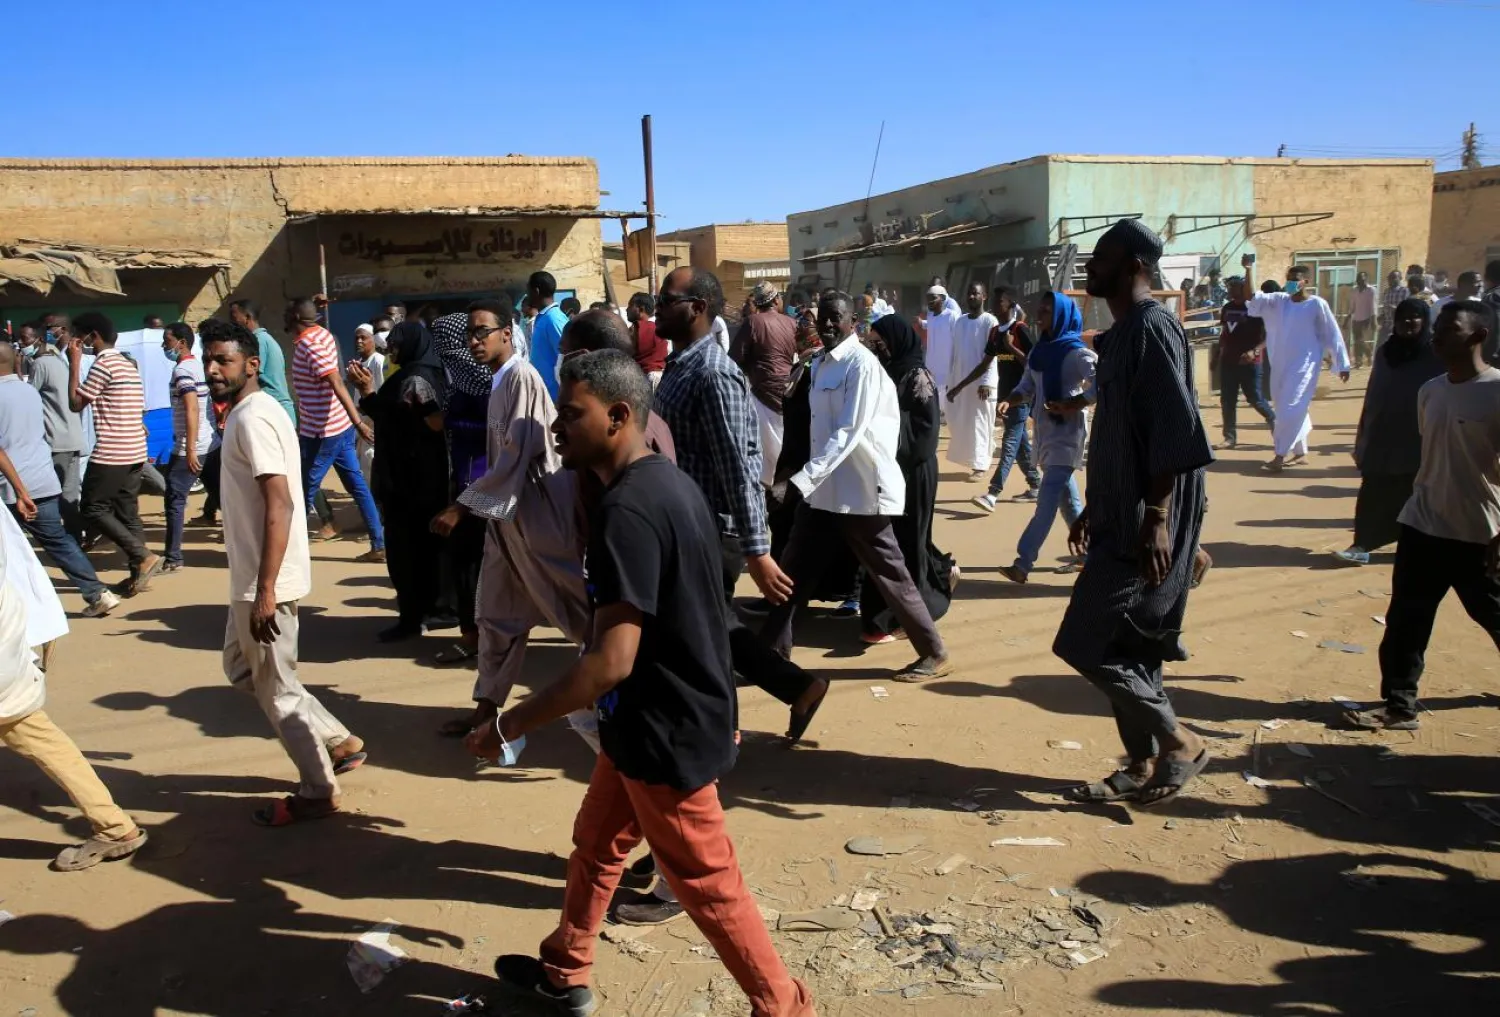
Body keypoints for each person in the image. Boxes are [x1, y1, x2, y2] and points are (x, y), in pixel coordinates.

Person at [473, 349, 815, 1017]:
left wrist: (508, 725)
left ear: (619, 415)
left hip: (663, 736)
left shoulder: (627, 512)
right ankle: (564, 967)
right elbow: (707, 613)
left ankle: (783, 1006)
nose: (557, 428)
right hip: (643, 725)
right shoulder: (668, 484)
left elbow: (609, 661)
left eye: (571, 414)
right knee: (597, 844)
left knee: (708, 882)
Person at [1053, 218, 1213, 807]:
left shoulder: (1154, 327)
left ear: (1137, 267)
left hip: (1148, 517)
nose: (1091, 268)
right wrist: (1095, 504)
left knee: (1086, 643)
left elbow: (1174, 430)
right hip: (1120, 511)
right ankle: (1142, 762)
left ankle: (1180, 743)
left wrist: (1160, 519)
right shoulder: (1117, 336)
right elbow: (1120, 432)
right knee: (1131, 644)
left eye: (1103, 258)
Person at [200, 319, 366, 825]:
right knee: (243, 670)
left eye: (223, 361)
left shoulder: (253, 418)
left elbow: (282, 504)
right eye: (209, 360)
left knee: (276, 688)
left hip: (263, 580)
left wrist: (266, 590)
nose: (212, 370)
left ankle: (318, 788)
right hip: (249, 577)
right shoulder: (254, 411)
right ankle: (338, 740)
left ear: (252, 365)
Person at [652, 268, 829, 737]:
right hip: (686, 524)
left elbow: (738, 466)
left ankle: (721, 732)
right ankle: (796, 689)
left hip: (711, 528)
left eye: (666, 299)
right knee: (710, 627)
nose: (656, 306)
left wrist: (757, 551)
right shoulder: (682, 365)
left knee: (700, 634)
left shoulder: (713, 373)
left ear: (697, 308)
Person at [761, 291, 950, 681]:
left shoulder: (861, 366)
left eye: (837, 318)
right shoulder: (819, 366)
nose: (828, 324)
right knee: (792, 570)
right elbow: (817, 434)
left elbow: (847, 434)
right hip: (824, 494)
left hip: (862, 493)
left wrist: (796, 484)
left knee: (892, 575)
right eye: (823, 318)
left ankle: (933, 651)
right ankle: (772, 652)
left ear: (852, 323)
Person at [429, 299, 585, 734]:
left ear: (507, 333)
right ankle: (485, 712)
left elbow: (517, 456)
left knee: (579, 614)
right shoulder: (499, 382)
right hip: (506, 520)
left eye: (483, 332)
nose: (475, 341)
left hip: (538, 516)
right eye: (470, 334)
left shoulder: (522, 378)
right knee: (496, 617)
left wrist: (462, 505)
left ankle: (635, 691)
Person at [1346, 301, 1500, 731]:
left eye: (1451, 329)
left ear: (1478, 336)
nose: (1438, 336)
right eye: (1440, 329)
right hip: (1422, 523)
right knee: (1405, 622)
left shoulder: (1497, 391)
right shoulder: (1430, 390)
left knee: (1493, 612)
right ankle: (1399, 705)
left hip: (1478, 532)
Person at [0, 507, 147, 869]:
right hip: (11, 652)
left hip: (7, 660)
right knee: (48, 744)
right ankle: (115, 827)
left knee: (45, 743)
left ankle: (115, 827)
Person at [0, 343, 119, 616]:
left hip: (13, 486)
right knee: (58, 541)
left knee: (15, 548)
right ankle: (97, 592)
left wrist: (20, 492)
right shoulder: (28, 390)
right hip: (41, 477)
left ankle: (20, 609)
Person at [349, 321, 448, 641]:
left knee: (408, 552)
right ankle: (431, 610)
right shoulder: (426, 372)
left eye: (396, 343)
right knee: (426, 550)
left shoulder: (416, 377)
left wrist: (367, 394)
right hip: (423, 479)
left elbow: (429, 422)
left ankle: (413, 618)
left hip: (410, 482)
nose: (391, 349)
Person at [858, 316, 955, 643]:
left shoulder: (918, 376)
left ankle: (906, 616)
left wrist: (887, 438)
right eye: (872, 342)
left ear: (896, 340)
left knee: (910, 539)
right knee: (889, 540)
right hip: (887, 470)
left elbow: (925, 435)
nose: (875, 348)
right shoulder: (882, 373)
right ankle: (891, 610)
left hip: (914, 472)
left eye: (879, 342)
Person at [994, 291, 1097, 585]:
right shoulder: (1040, 352)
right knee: (1069, 502)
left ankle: (1023, 562)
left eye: (1046, 312)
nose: (1039, 316)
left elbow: (1102, 381)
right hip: (1044, 434)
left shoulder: (1076, 352)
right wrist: (1009, 400)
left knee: (1047, 500)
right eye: (1039, 310)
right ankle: (1091, 557)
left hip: (1068, 435)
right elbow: (1026, 386)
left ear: (1062, 316)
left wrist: (1075, 403)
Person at [1334, 300, 1445, 567]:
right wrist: (1363, 439)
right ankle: (1362, 544)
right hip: (1384, 437)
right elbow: (1373, 395)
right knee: (1373, 493)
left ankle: (1419, 549)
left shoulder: (1436, 354)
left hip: (1421, 439)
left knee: (1419, 496)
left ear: (1425, 321)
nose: (1409, 322)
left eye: (1415, 317)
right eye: (1403, 317)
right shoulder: (1386, 352)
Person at [66, 312, 163, 594]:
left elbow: (75, 403)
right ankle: (140, 573)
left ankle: (142, 556)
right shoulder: (126, 364)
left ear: (92, 336)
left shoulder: (103, 364)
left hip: (112, 450)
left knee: (93, 508)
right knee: (127, 511)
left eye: (79, 335)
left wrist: (74, 364)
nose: (77, 341)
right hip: (134, 450)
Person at [285, 298, 385, 562]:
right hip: (335, 427)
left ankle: (283, 550)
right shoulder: (322, 334)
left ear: (295, 316)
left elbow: (336, 384)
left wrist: (359, 423)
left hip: (323, 431)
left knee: (303, 488)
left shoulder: (310, 344)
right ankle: (379, 543)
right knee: (357, 485)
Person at [1243, 261, 1351, 471]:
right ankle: (1300, 451)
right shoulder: (1279, 301)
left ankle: (1279, 456)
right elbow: (1253, 298)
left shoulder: (1317, 305)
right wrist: (1248, 270)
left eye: (1295, 279)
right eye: (1289, 279)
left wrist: (1342, 363)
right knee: (1286, 405)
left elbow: (1332, 333)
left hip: (1305, 365)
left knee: (1291, 407)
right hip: (1280, 364)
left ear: (1306, 282)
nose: (1291, 283)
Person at [971, 289, 1041, 510]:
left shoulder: (1020, 330)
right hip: (1005, 397)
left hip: (1022, 396)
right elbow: (985, 363)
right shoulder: (994, 332)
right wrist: (959, 386)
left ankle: (993, 493)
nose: (994, 304)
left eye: (999, 301)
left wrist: (1011, 347)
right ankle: (1036, 484)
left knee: (1009, 444)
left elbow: (1034, 364)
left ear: (1011, 305)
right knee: (1020, 446)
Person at [730, 282, 798, 488]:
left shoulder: (752, 322)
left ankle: (768, 490)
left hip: (762, 394)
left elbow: (734, 360)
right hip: (789, 391)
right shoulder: (791, 323)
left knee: (765, 451)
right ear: (776, 300)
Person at [28, 316, 86, 541]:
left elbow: (30, 398)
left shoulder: (42, 363)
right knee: (69, 493)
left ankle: (62, 538)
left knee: (51, 494)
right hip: (71, 437)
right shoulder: (61, 360)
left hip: (56, 439)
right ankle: (77, 535)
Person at [159, 322, 211, 573]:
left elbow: (191, 407)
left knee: (174, 500)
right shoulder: (199, 366)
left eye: (167, 341)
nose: (164, 346)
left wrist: (189, 448)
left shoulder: (182, 370)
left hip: (192, 446)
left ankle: (173, 556)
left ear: (181, 342)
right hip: (211, 442)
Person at [945, 282, 1001, 481]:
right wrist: (951, 380)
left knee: (980, 422)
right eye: (969, 294)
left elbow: (993, 355)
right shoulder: (960, 322)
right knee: (961, 421)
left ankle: (980, 465)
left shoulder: (990, 321)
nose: (971, 297)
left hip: (981, 384)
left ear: (984, 296)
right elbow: (955, 352)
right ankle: (978, 455)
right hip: (960, 380)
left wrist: (987, 381)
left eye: (975, 294)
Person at [1212, 274, 1275, 450]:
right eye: (1230, 286)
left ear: (1243, 288)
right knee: (1227, 400)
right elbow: (1224, 334)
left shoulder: (1255, 309)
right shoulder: (1227, 308)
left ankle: (1274, 422)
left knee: (1255, 399)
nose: (1231, 290)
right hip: (1229, 362)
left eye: (1235, 286)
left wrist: (1254, 352)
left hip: (1250, 363)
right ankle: (1229, 438)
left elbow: (1267, 337)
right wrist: (1217, 356)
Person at [526, 272, 569, 400]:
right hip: (543, 395)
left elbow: (568, 358)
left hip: (555, 397)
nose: (527, 295)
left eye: (528, 291)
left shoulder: (554, 319)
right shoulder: (543, 317)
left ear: (536, 291)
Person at [917, 285, 961, 402]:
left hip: (946, 366)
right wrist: (922, 323)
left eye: (933, 298)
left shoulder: (952, 315)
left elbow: (958, 339)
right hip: (931, 364)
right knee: (932, 396)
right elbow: (933, 325)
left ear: (942, 298)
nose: (929, 302)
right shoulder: (930, 315)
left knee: (945, 400)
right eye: (928, 299)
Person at [628, 292, 667, 385]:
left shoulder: (638, 328)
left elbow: (628, 349)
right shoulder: (660, 327)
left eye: (630, 306)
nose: (627, 309)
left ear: (641, 309)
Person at [1347, 271, 1378, 368]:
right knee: (1357, 341)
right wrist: (1346, 319)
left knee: (1360, 340)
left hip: (1367, 318)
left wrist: (1374, 320)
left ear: (1366, 279)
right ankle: (1358, 361)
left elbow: (1374, 306)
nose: (1360, 281)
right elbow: (1352, 306)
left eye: (1362, 279)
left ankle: (1369, 353)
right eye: (1359, 279)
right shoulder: (1354, 291)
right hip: (1356, 318)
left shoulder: (1371, 290)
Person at [1380, 270, 1409, 338]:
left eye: (1394, 277)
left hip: (1398, 326)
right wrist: (1382, 316)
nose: (1391, 279)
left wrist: (1395, 308)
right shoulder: (1386, 291)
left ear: (1400, 278)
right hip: (1386, 326)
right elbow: (1384, 308)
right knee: (1380, 346)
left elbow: (1406, 308)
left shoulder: (1404, 291)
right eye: (1389, 277)